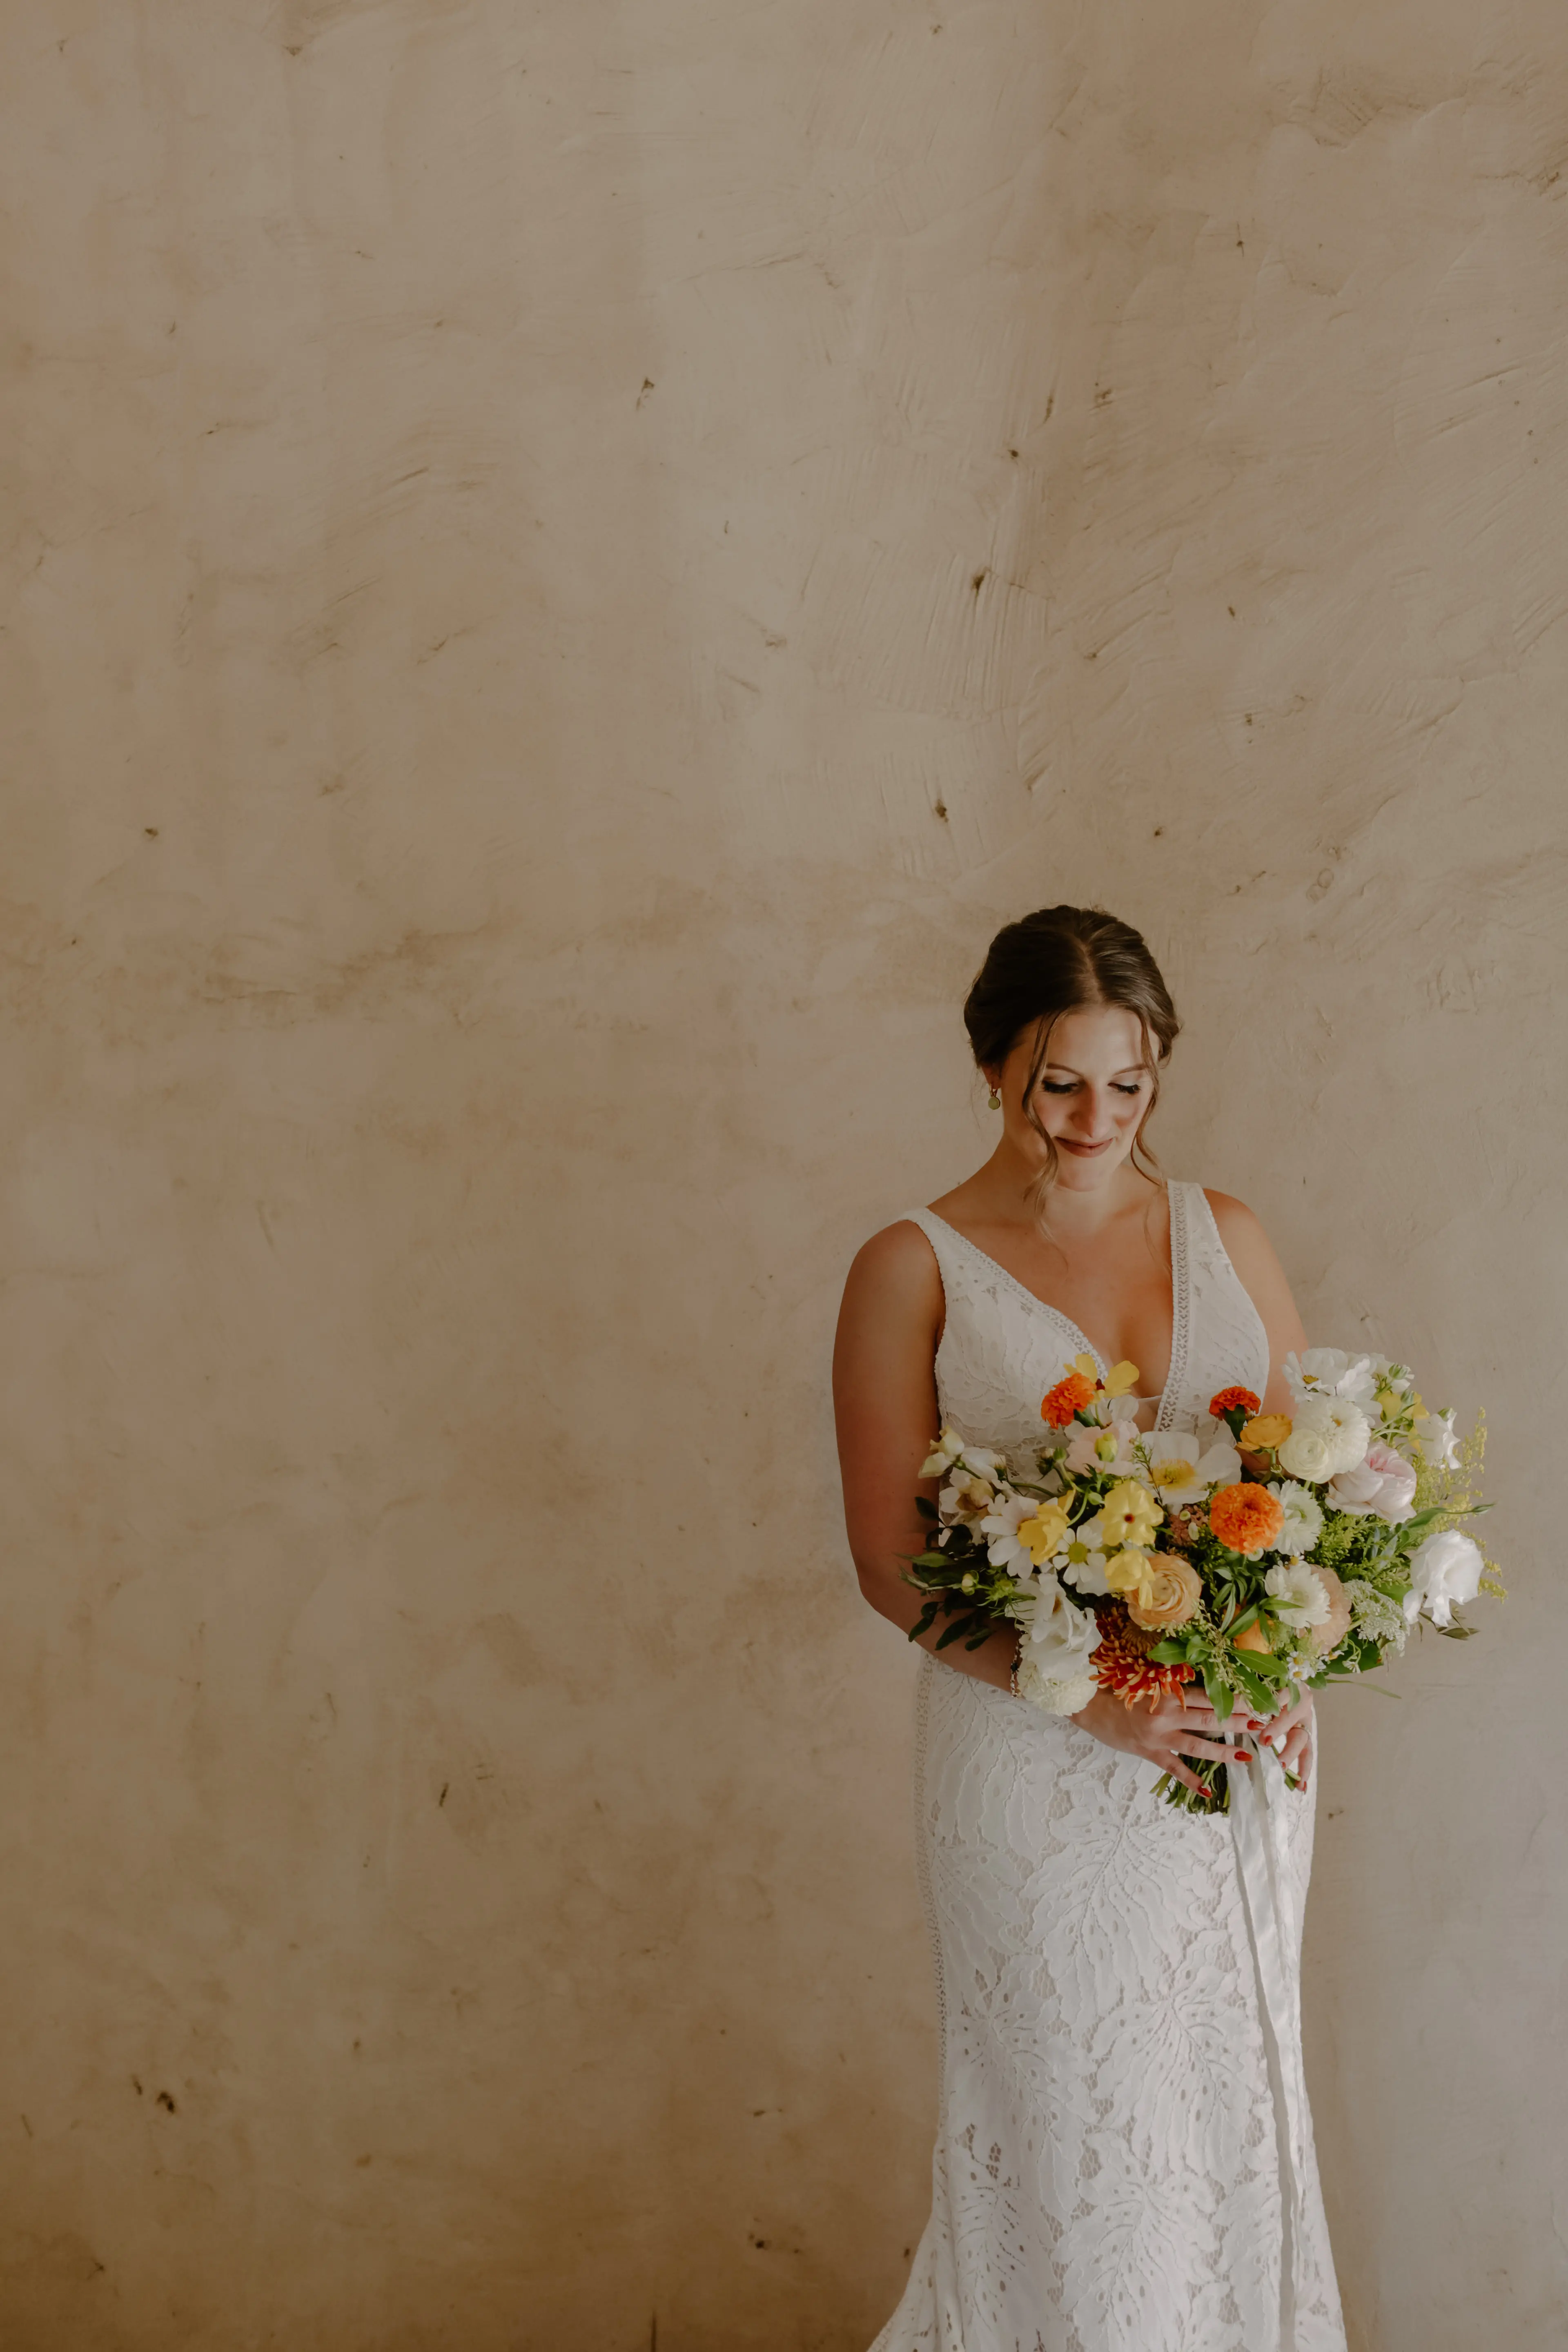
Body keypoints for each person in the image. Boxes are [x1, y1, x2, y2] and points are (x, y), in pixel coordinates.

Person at [833, 905, 1346, 2352]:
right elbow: (889, 1558)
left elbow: (1301, 1480)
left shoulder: (1224, 1233)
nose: (1094, 1119)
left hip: (1235, 1757)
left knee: (1229, 2108)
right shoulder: (912, 1265)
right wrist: (1094, 1703)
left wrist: (1292, 1663)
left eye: (1128, 1084)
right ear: (994, 1066)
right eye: (1060, 1082)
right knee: (1069, 2131)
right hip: (1034, 1766)